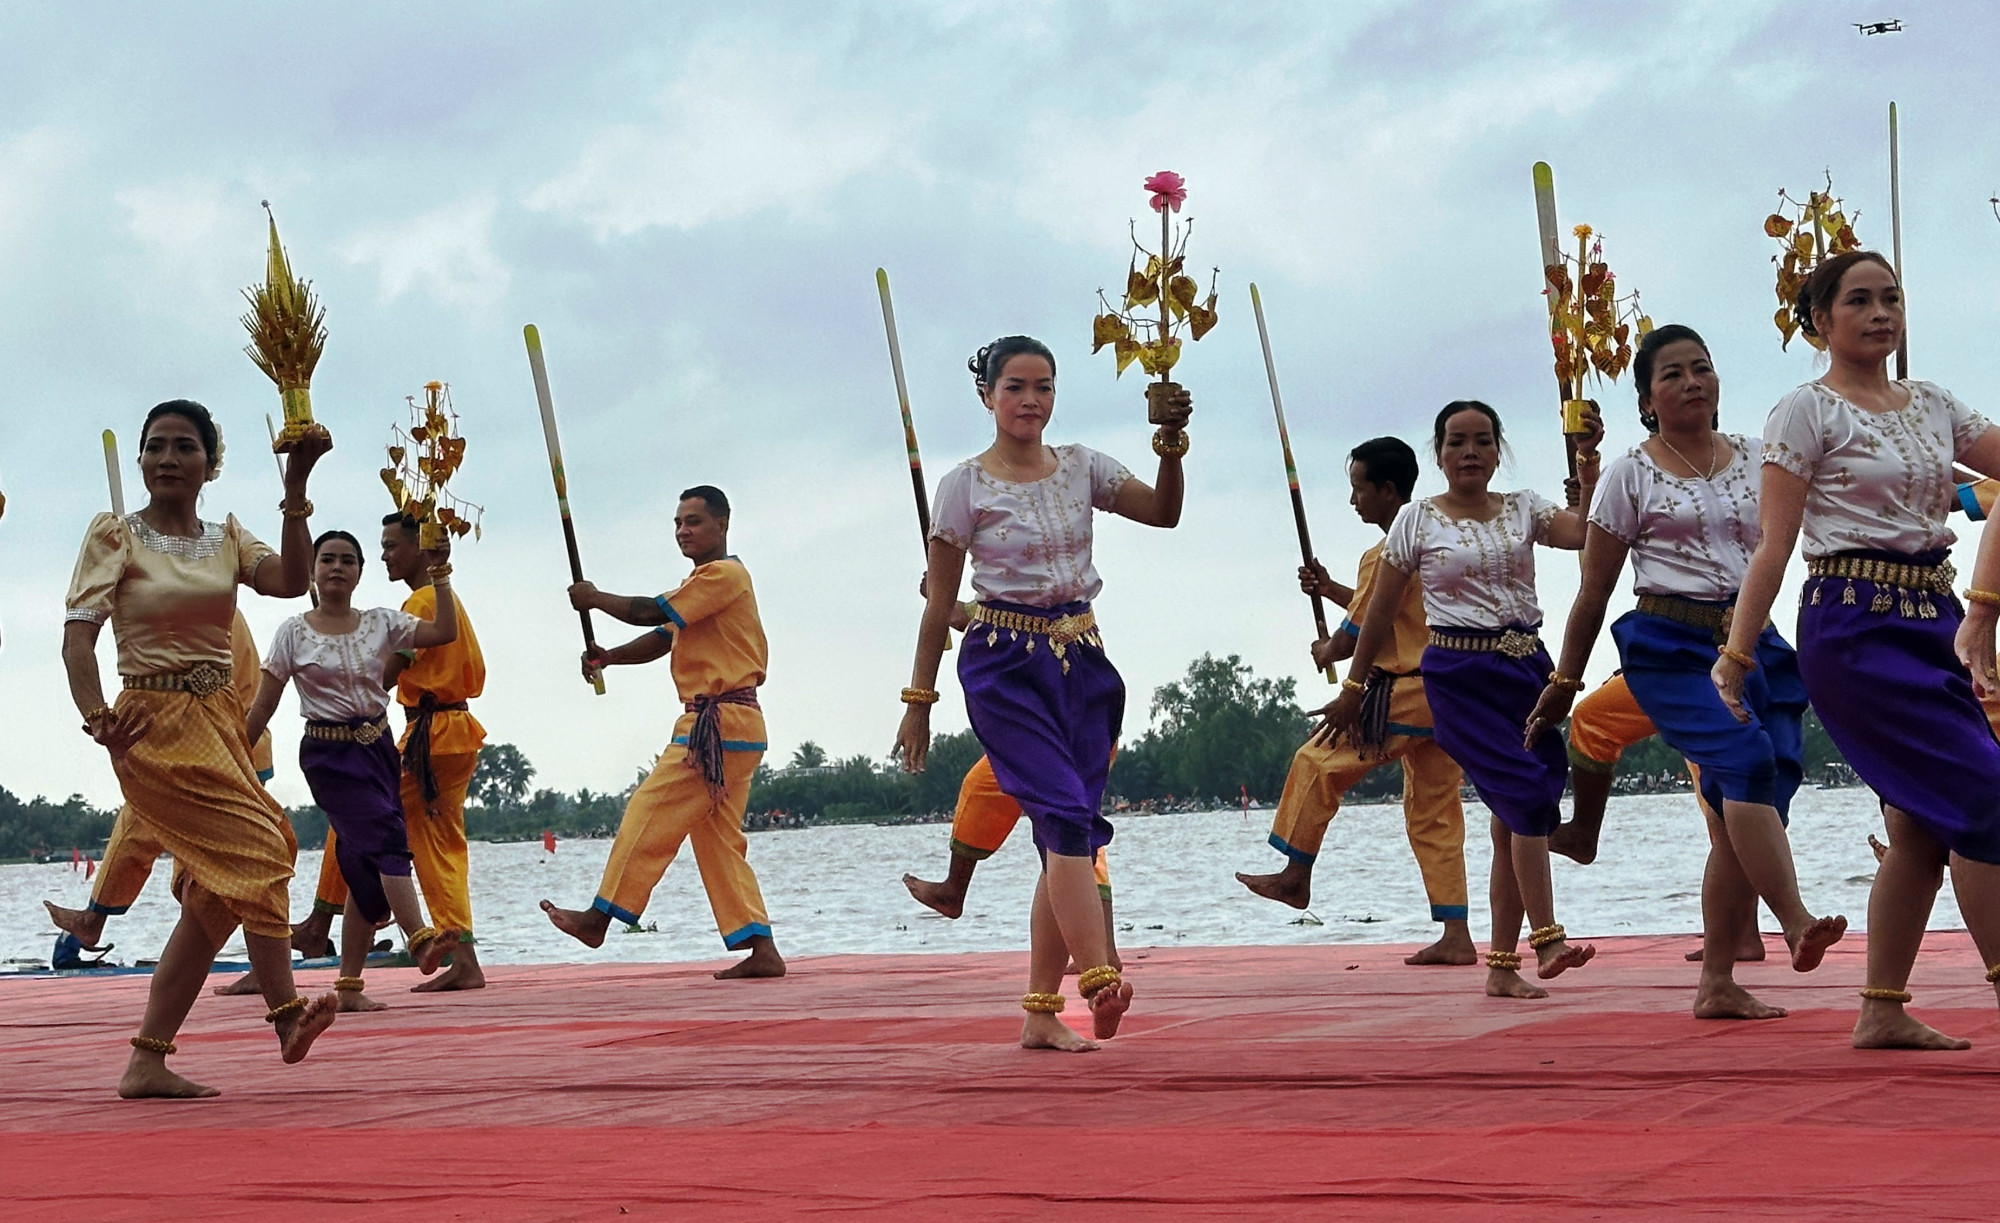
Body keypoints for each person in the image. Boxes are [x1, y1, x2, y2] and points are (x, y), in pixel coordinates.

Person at [1718, 250, 2000, 1050]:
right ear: (1819, 321)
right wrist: (1736, 658)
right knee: (1987, 798)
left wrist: (1982, 605)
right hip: (1853, 627)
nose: (1881, 313)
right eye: (1860, 301)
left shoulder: (1934, 404)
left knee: (1918, 826)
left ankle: (1881, 1007)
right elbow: (1772, 546)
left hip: (1936, 620)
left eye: (1892, 298)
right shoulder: (1805, 411)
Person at [1529, 324, 1846, 1020]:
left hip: (1755, 642)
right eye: (1672, 374)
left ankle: (1718, 981)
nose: (1692, 381)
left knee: (1750, 803)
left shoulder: (1763, 459)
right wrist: (1563, 680)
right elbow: (1593, 590)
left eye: (1702, 367)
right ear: (1647, 398)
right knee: (1744, 758)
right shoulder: (1629, 474)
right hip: (1671, 647)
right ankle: (1795, 922)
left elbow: (1848, 493)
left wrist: (1961, 492)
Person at [896, 336, 1188, 1051]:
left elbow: (1163, 512)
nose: (1031, 400)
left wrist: (1172, 446)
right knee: (1062, 817)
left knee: (1070, 830)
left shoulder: (1082, 467)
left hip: (1083, 659)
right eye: (1016, 387)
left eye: (1044, 387)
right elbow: (939, 602)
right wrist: (918, 699)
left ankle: (1038, 1011)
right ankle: (1098, 980)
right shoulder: (965, 485)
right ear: (988, 395)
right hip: (1004, 662)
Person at [62, 400, 336, 1098]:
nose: (166, 458)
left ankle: (146, 1060)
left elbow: (288, 582)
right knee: (262, 845)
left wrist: (297, 485)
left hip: (220, 718)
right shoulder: (115, 537)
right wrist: (97, 716)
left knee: (218, 894)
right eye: (155, 446)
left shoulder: (226, 539)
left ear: (209, 463)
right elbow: (78, 642)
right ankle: (284, 1015)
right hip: (150, 724)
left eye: (184, 447)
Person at [1322, 400, 1597, 999]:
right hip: (1457, 672)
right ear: (1440, 455)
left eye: (1481, 440)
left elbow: (1583, 534)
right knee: (1523, 794)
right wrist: (1353, 683)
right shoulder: (1417, 521)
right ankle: (1546, 936)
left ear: (1499, 450)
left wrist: (1588, 471)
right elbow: (1376, 613)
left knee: (1515, 817)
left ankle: (1502, 965)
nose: (1469, 451)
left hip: (1527, 668)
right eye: (1455, 442)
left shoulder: (1526, 508)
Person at [1235, 437, 1473, 966]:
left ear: (1387, 491)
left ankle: (1296, 876)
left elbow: (1351, 638)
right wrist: (1331, 590)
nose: (1353, 501)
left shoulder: (1387, 552)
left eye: (1358, 490)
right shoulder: (1435, 538)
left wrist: (1329, 651)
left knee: (1317, 761)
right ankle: (1456, 933)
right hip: (1449, 693)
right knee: (1433, 813)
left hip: (1406, 692)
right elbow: (1390, 608)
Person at [541, 486, 785, 979]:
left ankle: (599, 917)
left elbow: (650, 611)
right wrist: (609, 656)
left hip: (714, 728)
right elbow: (660, 637)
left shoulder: (724, 575)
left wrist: (594, 598)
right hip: (733, 729)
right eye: (677, 523)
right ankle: (761, 947)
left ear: (722, 525)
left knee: (647, 810)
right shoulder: (701, 587)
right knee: (717, 839)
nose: (683, 531)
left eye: (693, 521)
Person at [246, 530, 462, 1011]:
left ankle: (348, 988)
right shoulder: (293, 632)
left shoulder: (382, 623)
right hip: (329, 757)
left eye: (347, 560)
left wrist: (441, 574)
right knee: (388, 837)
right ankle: (420, 938)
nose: (336, 568)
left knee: (362, 868)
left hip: (379, 747)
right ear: (313, 571)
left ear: (360, 571)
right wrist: (237, 759)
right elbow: (262, 707)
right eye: (327, 559)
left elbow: (443, 632)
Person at [44, 611, 284, 955]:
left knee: (172, 848)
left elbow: (220, 689)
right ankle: (97, 920)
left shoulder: (203, 610)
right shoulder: (196, 602)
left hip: (220, 749)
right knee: (201, 867)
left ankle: (95, 920)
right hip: (206, 748)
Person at [382, 511, 489, 991]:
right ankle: (325, 918)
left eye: (391, 545)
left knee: (395, 830)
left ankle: (460, 954)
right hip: (450, 730)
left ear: (420, 550)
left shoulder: (422, 601)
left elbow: (388, 672)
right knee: (427, 838)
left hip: (433, 734)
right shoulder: (437, 599)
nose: (385, 554)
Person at [901, 750, 1121, 968]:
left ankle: (953, 890)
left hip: (1057, 730)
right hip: (1075, 728)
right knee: (1076, 828)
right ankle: (1103, 952)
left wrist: (917, 712)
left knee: (986, 786)